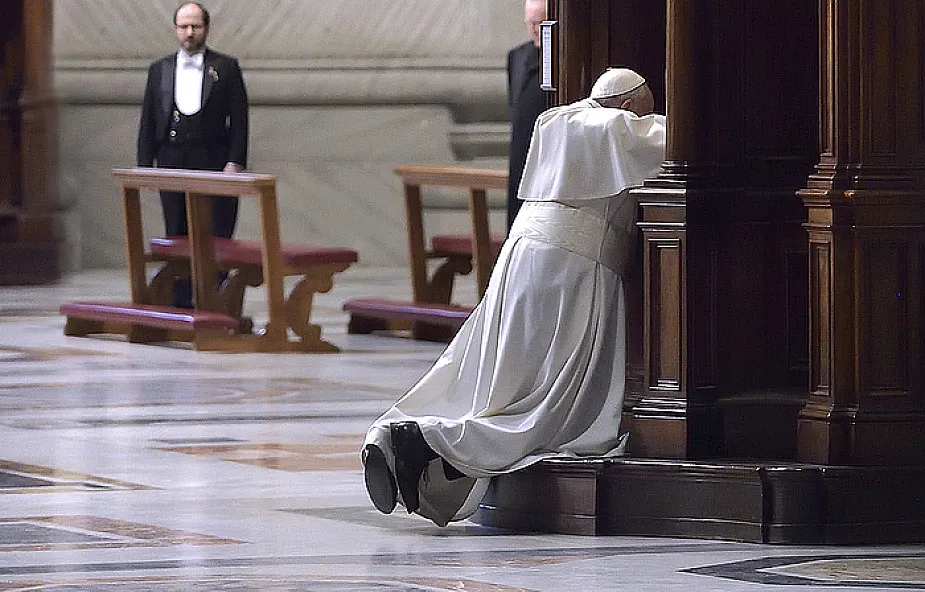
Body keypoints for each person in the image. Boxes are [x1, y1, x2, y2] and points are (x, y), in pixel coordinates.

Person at [362, 68, 667, 527]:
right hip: (574, 269)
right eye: (644, 107)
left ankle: (407, 440)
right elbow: (681, 140)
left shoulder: (559, 120)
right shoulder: (619, 128)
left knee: (488, 375)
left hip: (520, 259)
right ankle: (430, 442)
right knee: (550, 404)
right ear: (627, 107)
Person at [137, 2, 249, 308]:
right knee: (177, 230)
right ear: (175, 29)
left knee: (218, 231)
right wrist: (145, 167)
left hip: (213, 158)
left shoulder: (226, 67)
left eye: (195, 26)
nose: (189, 33)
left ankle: (218, 301)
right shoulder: (159, 69)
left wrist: (235, 161)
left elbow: (240, 118)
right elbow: (148, 119)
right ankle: (181, 304)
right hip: (172, 158)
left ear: (206, 29)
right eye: (183, 27)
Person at [506, 0, 549, 231]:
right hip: (520, 153)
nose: (534, 29)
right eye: (530, 22)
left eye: (540, 23)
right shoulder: (518, 57)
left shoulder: (562, 60)